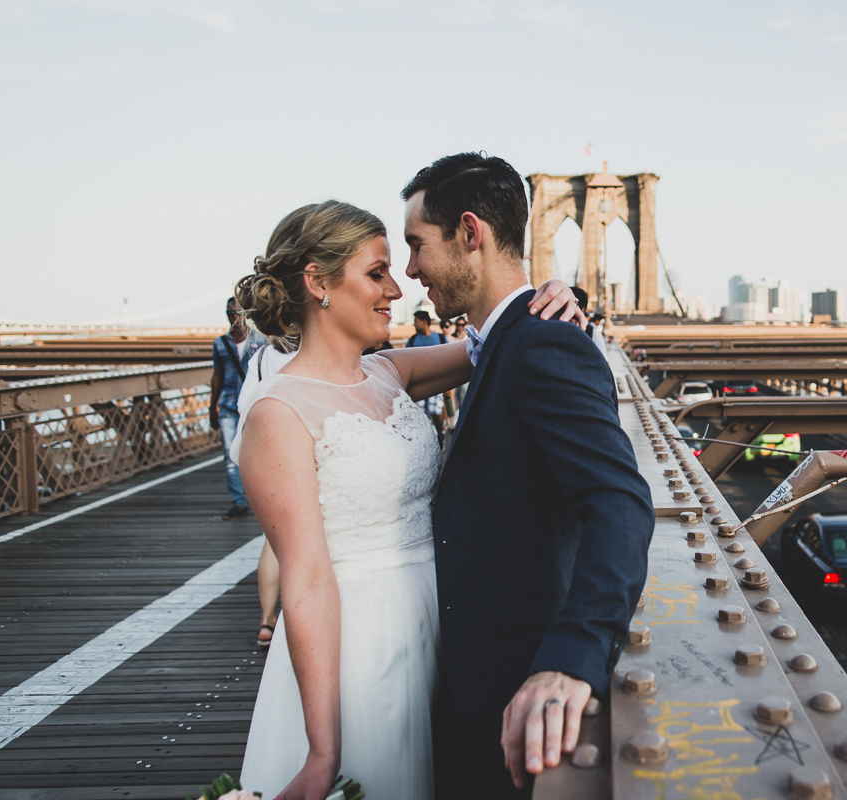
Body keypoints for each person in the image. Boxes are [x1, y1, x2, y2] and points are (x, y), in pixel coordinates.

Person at [233, 199, 581, 800]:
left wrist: (549, 299)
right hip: (364, 647)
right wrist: (323, 751)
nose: (398, 287)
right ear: (317, 282)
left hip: (446, 625)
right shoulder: (277, 414)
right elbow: (309, 577)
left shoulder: (390, 372)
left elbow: (498, 340)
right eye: (376, 273)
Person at [402, 153, 653, 799]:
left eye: (415, 244)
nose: (410, 270)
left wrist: (575, 657)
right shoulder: (507, 339)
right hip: (469, 687)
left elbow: (619, 500)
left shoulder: (544, 342)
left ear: (469, 232)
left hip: (516, 695)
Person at [235, 339, 298, 648]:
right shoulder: (314, 349)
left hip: (271, 455)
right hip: (304, 447)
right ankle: (298, 616)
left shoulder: (261, 357)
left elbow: (243, 405)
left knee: (272, 542)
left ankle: (266, 619)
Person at [209, 297, 267, 520]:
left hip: (252, 405)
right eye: (230, 313)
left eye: (238, 313)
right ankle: (238, 501)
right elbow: (218, 375)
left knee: (256, 453)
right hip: (228, 405)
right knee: (228, 453)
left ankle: (260, 498)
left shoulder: (261, 341)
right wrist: (211, 407)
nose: (234, 317)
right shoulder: (220, 343)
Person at [406, 310, 451, 442]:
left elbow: (448, 361)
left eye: (416, 321)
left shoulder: (441, 339)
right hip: (418, 384)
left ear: (424, 322)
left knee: (436, 412)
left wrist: (448, 385)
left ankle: (440, 435)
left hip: (437, 383)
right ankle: (424, 440)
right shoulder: (412, 340)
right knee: (419, 414)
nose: (414, 324)